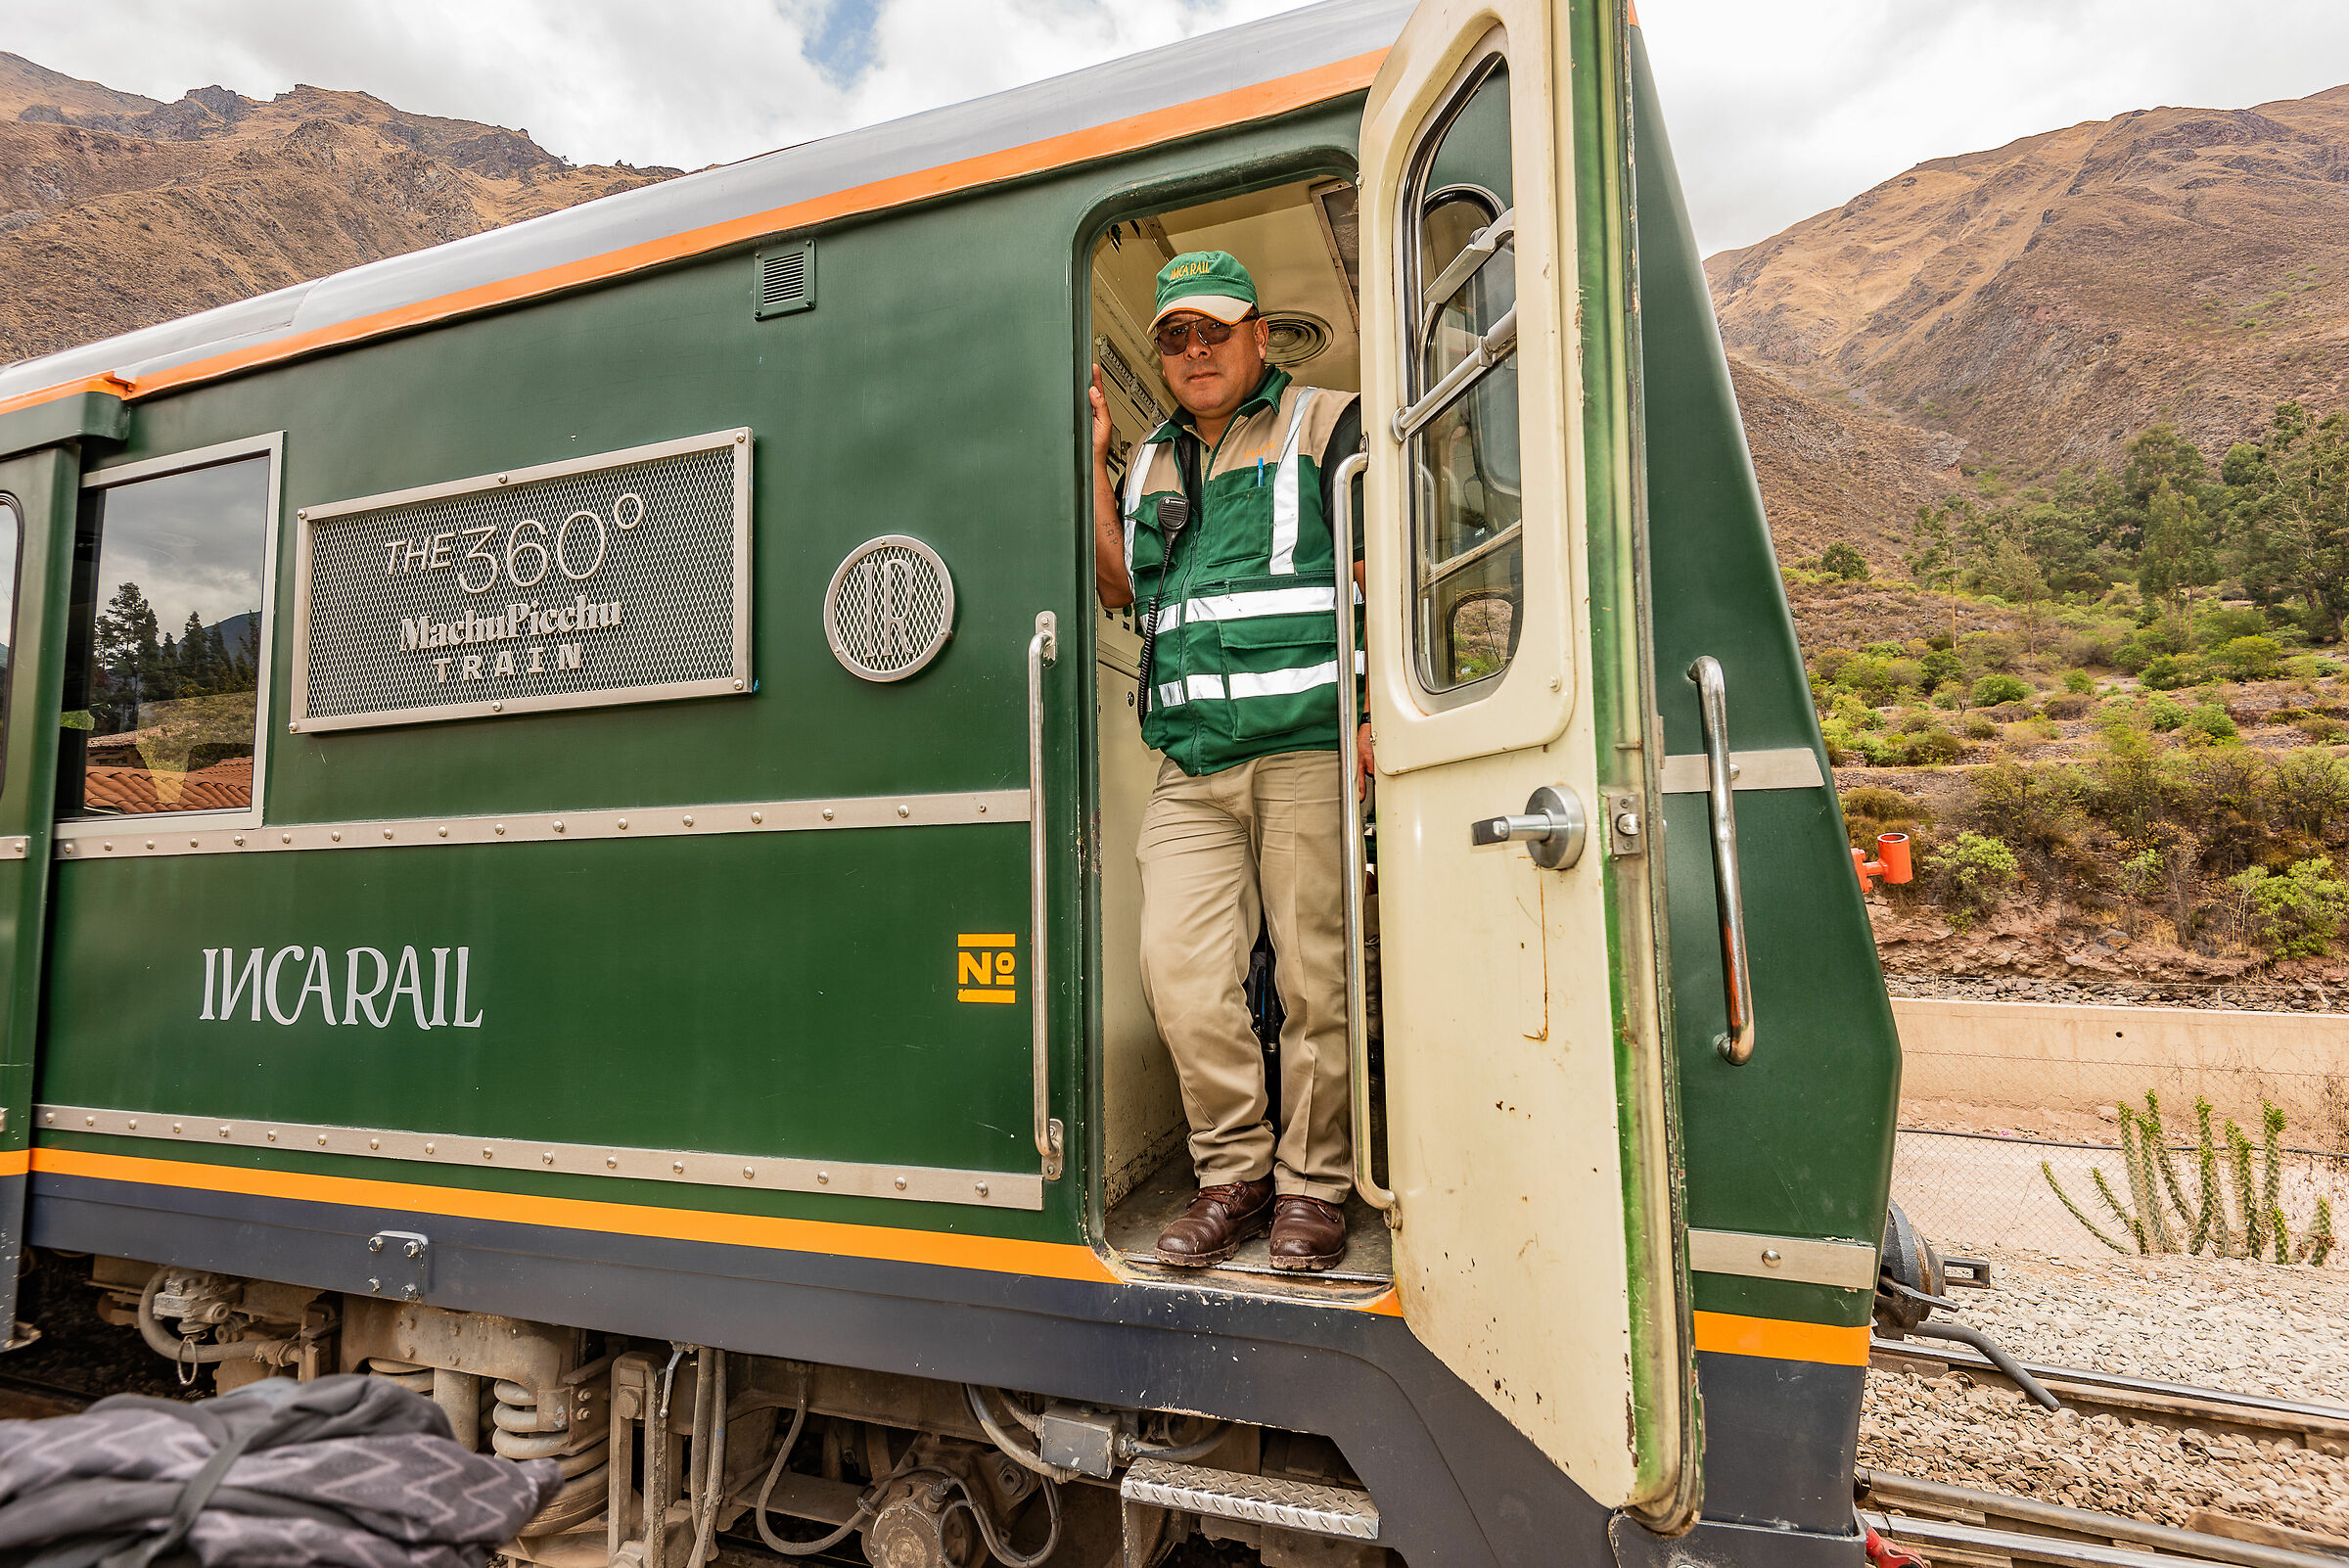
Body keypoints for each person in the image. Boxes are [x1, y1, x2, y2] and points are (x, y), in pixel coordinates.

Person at [1088, 250, 1369, 1272]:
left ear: (1259, 334)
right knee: (1182, 975)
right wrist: (1094, 462)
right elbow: (1124, 593)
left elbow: (1381, 566)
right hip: (1191, 767)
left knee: (1315, 985)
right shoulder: (1149, 461)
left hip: (1303, 747)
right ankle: (1235, 1175)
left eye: (1214, 329)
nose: (1196, 349)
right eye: (1175, 336)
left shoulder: (1329, 424)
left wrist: (1375, 714)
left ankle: (1313, 1189)